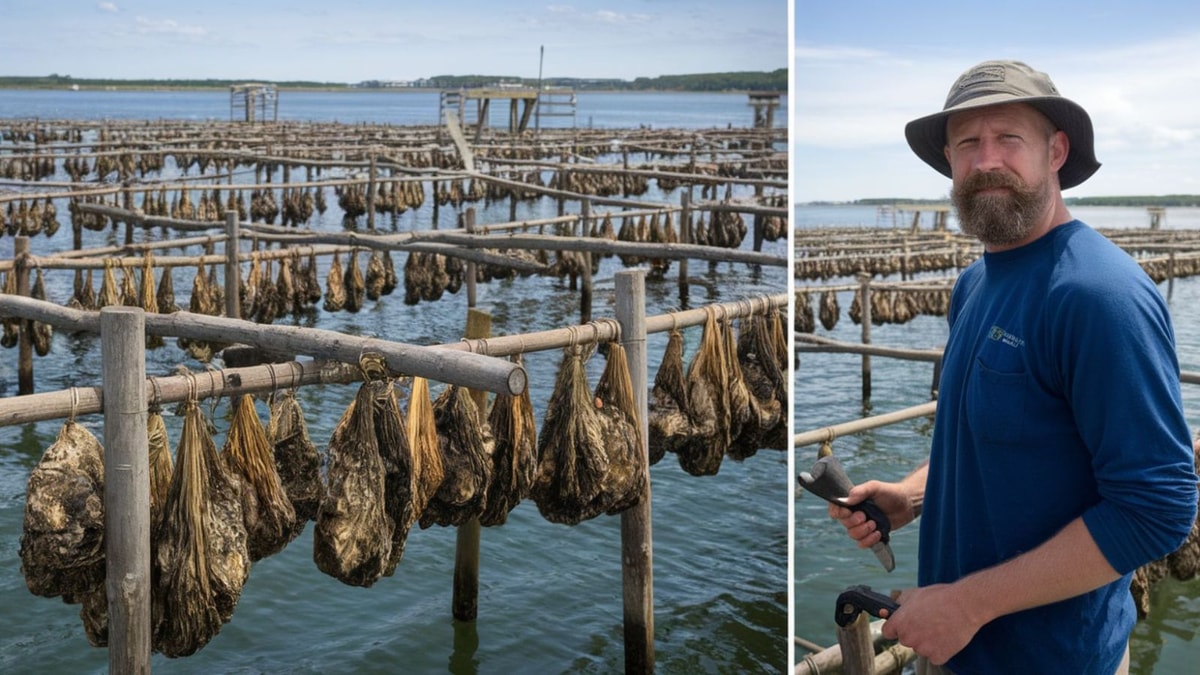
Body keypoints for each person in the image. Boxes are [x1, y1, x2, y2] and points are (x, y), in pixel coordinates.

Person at [828, 60, 1198, 674]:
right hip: (953, 647)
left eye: (1009, 139)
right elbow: (987, 431)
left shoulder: (1099, 296)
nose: (985, 160)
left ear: (1056, 151)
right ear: (948, 160)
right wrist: (911, 496)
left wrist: (967, 605)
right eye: (967, 143)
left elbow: (1156, 509)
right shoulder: (974, 284)